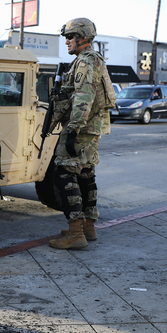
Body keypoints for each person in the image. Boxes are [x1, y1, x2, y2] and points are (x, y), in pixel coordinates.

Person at [49, 18, 116, 249]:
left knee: (63, 172)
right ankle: (88, 227)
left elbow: (84, 96)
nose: (66, 41)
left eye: (70, 36)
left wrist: (73, 130)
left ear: (82, 37)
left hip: (82, 127)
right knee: (86, 173)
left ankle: (76, 233)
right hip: (92, 127)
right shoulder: (94, 59)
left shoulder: (86, 62)